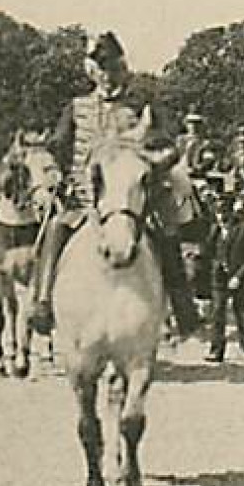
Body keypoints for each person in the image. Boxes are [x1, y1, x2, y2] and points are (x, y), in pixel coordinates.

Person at [30, 31, 201, 337]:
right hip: (86, 199)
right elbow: (56, 146)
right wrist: (53, 174)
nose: (109, 77)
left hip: (132, 197)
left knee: (165, 232)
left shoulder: (140, 107)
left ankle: (182, 304)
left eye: (115, 69)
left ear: (124, 70)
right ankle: (42, 301)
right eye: (102, 69)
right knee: (55, 227)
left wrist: (155, 162)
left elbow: (170, 146)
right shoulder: (77, 107)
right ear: (92, 72)